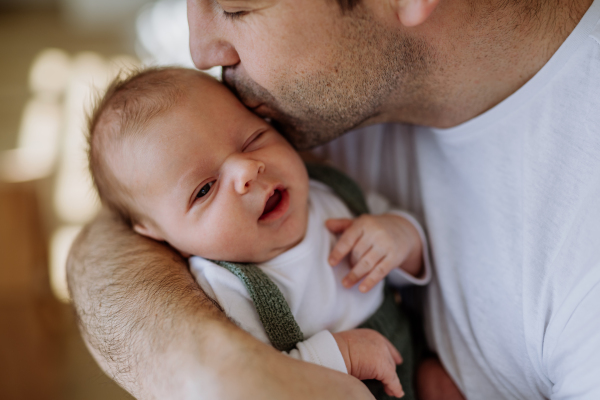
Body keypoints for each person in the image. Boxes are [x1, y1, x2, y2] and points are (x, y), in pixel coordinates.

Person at [67, 0, 600, 399]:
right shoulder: (310, 103)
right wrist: (215, 370)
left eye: (235, 6)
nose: (200, 50)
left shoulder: (583, 265)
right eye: (206, 189)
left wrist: (397, 238)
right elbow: (115, 228)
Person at [86, 66, 437, 399]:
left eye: (253, 139)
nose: (247, 170)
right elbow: (262, 380)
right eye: (205, 189)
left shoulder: (330, 192)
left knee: (442, 384)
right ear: (157, 233)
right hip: (331, 387)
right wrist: (341, 353)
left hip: (410, 357)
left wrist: (400, 237)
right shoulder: (225, 287)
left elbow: (410, 268)